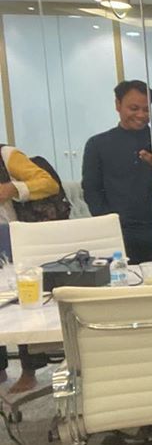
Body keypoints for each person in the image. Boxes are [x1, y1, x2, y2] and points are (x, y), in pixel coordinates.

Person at [82, 80, 152, 264]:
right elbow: (92, 191)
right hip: (120, 236)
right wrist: (109, 225)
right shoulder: (98, 145)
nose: (141, 115)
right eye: (134, 108)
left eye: (146, 109)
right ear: (118, 105)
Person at [0, 143, 59, 393]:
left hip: (11, 236)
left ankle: (29, 370)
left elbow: (48, 183)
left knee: (21, 300)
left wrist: (13, 188)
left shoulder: (7, 156)